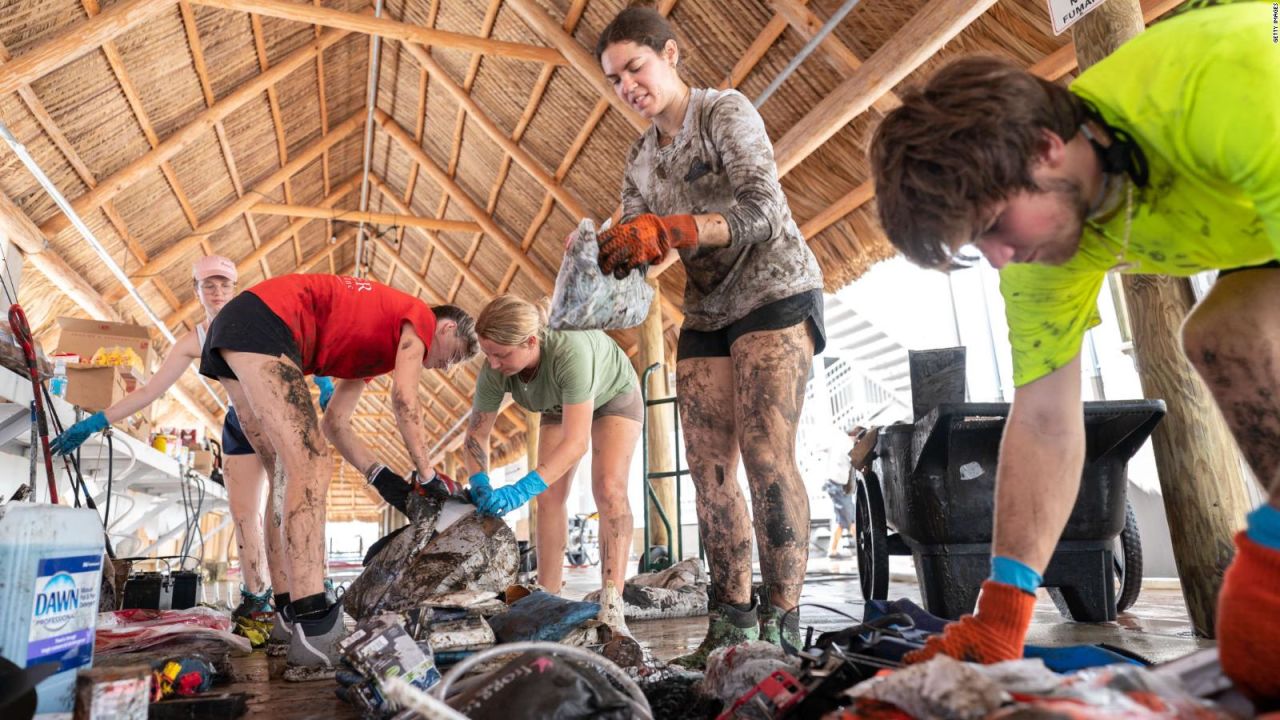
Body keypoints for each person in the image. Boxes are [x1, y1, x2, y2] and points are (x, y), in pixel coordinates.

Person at [868, 2, 1278, 700]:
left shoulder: (1230, 86)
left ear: (1044, 149)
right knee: (1222, 337)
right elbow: (1047, 422)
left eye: (995, 226)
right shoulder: (1044, 251)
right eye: (978, 247)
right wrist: (1002, 612)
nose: (1000, 259)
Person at [593, 7, 826, 666]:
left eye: (635, 68)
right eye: (615, 80)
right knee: (708, 472)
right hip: (706, 310)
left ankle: (781, 622)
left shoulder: (725, 112)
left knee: (764, 450)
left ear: (669, 55)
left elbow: (762, 210)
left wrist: (676, 230)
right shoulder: (639, 159)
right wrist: (605, 250)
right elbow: (636, 243)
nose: (627, 86)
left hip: (775, 289)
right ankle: (730, 623)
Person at [198, 273, 478, 681]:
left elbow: (337, 424)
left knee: (285, 473)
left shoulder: (371, 351)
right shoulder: (418, 315)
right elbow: (405, 399)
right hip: (267, 324)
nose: (446, 367)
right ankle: (314, 624)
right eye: (453, 355)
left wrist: (383, 479)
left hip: (239, 330)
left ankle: (289, 615)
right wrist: (428, 474)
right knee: (310, 465)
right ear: (446, 327)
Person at [49, 256, 321, 622]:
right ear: (196, 291)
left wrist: (323, 377)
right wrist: (96, 421)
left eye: (225, 284)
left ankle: (299, 594)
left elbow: (305, 339)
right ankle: (256, 596)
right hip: (239, 424)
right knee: (243, 514)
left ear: (236, 288)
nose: (217, 292)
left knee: (283, 506)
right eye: (209, 285)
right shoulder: (194, 339)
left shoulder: (260, 319)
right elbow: (149, 391)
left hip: (278, 421)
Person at [461, 295, 642, 632]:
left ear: (531, 342)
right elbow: (477, 435)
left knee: (608, 488)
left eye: (501, 355)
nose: (494, 364)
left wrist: (520, 489)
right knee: (549, 497)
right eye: (488, 354)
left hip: (612, 394)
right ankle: (549, 594)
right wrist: (480, 481)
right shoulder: (496, 366)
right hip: (559, 403)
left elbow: (577, 444)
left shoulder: (569, 352)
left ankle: (612, 602)